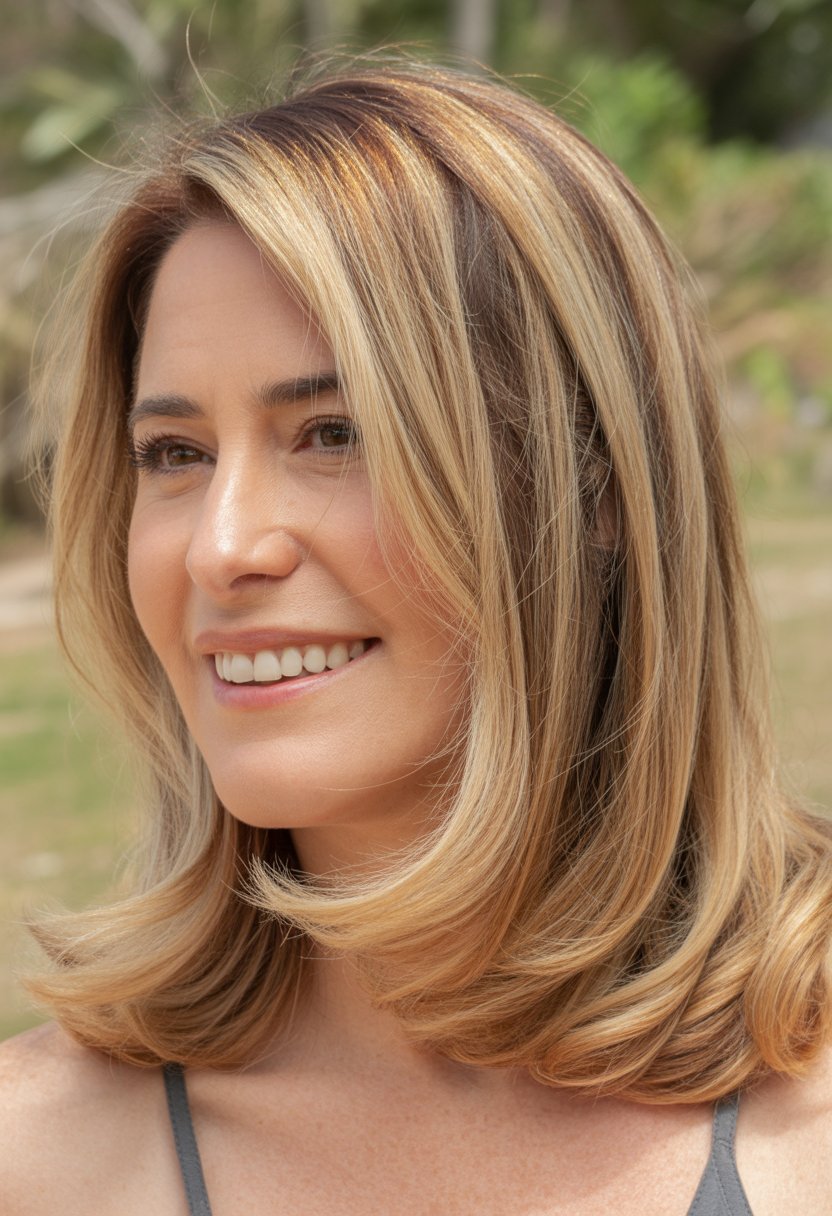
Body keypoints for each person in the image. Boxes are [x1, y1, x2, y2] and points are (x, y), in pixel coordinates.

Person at [2, 58, 831, 1215]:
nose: (221, 547)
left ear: (593, 485)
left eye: (332, 431)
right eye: (176, 455)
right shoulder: (40, 1161)